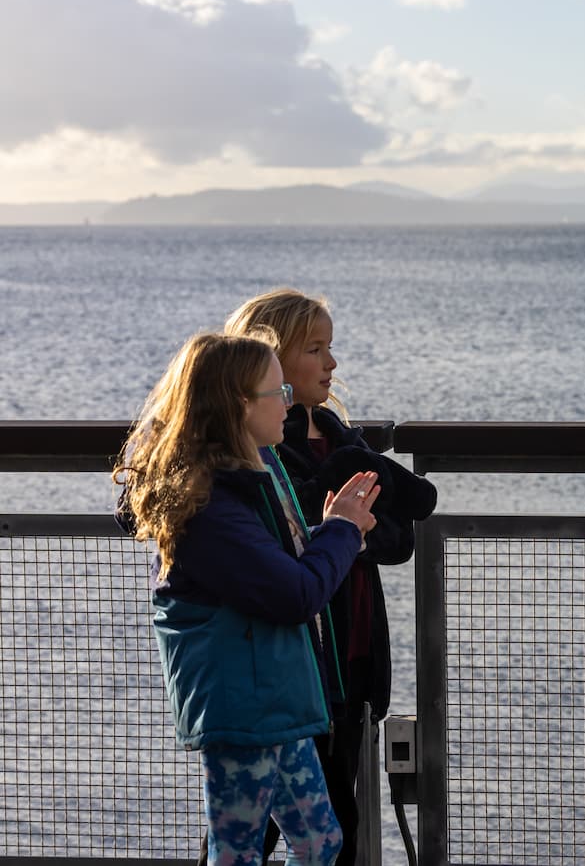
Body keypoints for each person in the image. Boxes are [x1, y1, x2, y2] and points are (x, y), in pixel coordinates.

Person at [114, 333, 381, 865]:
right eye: (275, 390)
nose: (287, 402)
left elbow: (270, 571)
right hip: (244, 710)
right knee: (236, 853)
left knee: (320, 841)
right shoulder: (210, 509)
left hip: (271, 701)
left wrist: (330, 529)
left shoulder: (248, 480)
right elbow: (294, 594)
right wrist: (342, 531)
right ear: (239, 405)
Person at [223, 289, 438, 864]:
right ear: (268, 361)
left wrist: (349, 531)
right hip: (296, 662)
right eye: (315, 349)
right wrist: (342, 526)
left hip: (353, 658)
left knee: (310, 821)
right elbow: (282, 539)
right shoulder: (259, 448)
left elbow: (399, 539)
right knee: (270, 829)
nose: (332, 363)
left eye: (330, 348)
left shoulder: (345, 438)